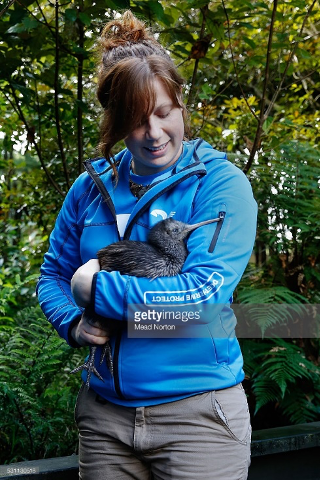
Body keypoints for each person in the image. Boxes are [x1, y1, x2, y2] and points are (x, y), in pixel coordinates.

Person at [37, 10, 257, 480]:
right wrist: (74, 323)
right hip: (103, 419)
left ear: (181, 105)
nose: (154, 134)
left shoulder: (217, 185)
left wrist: (96, 292)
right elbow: (53, 275)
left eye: (164, 113)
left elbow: (201, 299)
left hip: (199, 417)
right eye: (137, 121)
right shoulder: (90, 187)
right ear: (116, 121)